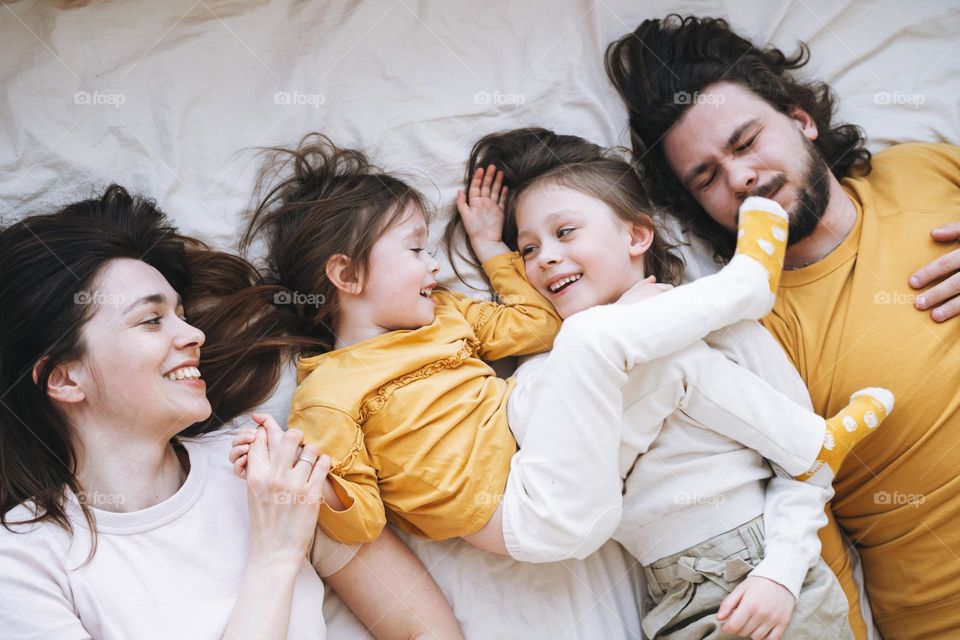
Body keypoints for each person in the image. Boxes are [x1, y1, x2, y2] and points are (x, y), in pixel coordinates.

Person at [230, 132, 892, 638]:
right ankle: (749, 290)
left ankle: (800, 413)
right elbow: (363, 520)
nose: (436, 264)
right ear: (347, 277)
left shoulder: (682, 333)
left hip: (761, 566)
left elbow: (533, 322)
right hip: (558, 520)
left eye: (565, 233)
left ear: (638, 235)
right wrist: (316, 484)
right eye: (416, 249)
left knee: (652, 361)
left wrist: (780, 568)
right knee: (580, 351)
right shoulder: (331, 392)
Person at [606, 13, 960, 639]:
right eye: (707, 177)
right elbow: (800, 513)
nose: (740, 177)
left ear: (800, 120)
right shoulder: (748, 328)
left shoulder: (926, 169)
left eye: (745, 143)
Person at [0, 185, 462, 640]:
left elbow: (426, 631)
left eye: (182, 314)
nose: (193, 335)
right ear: (64, 378)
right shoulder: (25, 560)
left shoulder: (263, 470)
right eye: (151, 320)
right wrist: (275, 557)